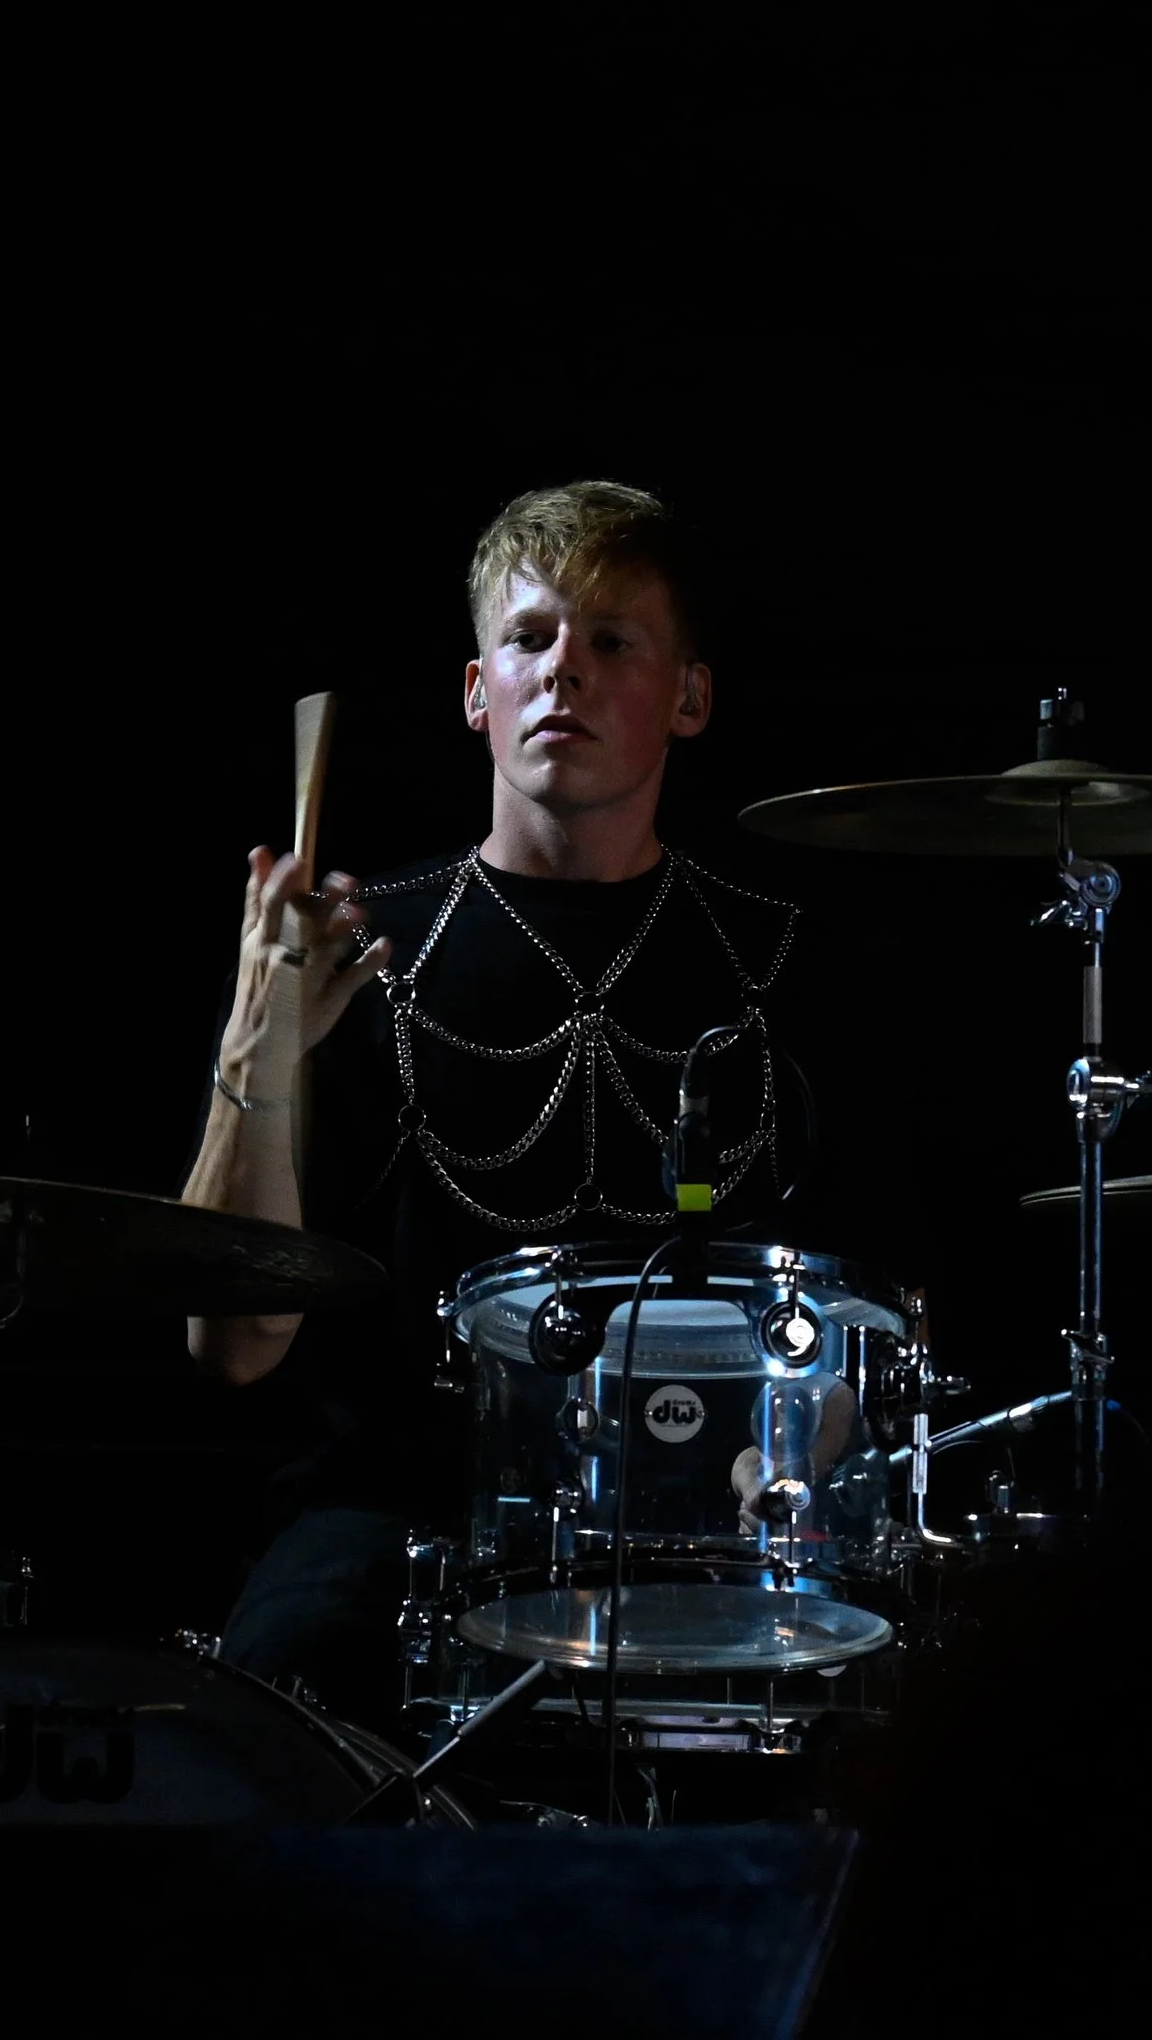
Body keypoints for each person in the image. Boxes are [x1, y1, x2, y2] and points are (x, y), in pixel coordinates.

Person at [181, 480, 815, 1718]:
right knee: (281, 1672)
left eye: (611, 641)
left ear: (688, 697)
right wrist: (255, 1045)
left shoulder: (770, 963)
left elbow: (855, 1328)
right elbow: (232, 1348)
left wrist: (789, 1460)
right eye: (529, 639)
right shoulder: (357, 950)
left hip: (696, 1509)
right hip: (398, 1518)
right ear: (479, 693)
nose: (562, 670)